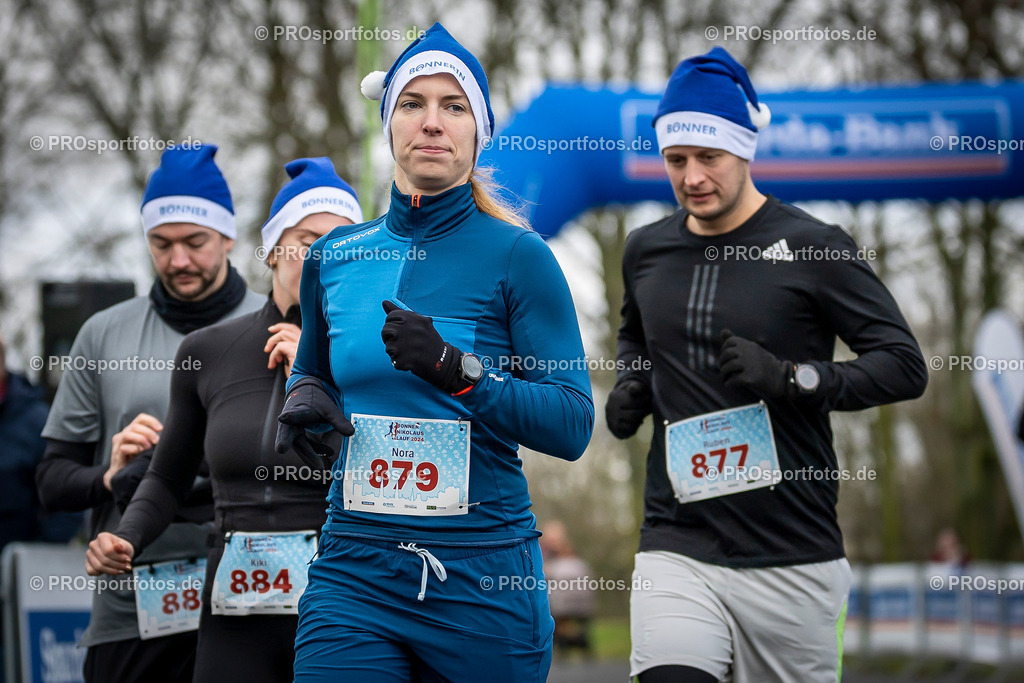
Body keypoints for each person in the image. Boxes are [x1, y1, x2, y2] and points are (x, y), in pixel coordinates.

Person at [272, 22, 594, 682]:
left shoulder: (518, 257)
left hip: (481, 578)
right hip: (353, 571)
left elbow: (571, 423)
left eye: (454, 107)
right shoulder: (334, 257)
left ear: (477, 133)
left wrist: (459, 370)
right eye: (413, 104)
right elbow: (311, 371)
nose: (432, 123)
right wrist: (305, 397)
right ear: (388, 125)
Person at [606, 47, 928, 683]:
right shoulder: (645, 250)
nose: (692, 176)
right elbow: (634, 335)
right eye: (676, 160)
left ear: (745, 150)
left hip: (792, 553)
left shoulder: (814, 246)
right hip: (679, 540)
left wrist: (794, 378)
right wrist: (632, 382)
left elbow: (904, 365)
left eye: (709, 158)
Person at [83, 158, 363, 683]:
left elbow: (381, 472)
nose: (325, 254)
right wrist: (127, 537)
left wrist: (320, 368)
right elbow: (166, 477)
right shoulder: (207, 352)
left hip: (341, 606)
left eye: (343, 242)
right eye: (306, 239)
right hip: (237, 615)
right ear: (274, 248)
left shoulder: (371, 357)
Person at [35, 144, 264, 683]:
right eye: (161, 244)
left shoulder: (274, 324)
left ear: (228, 236)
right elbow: (50, 482)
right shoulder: (104, 333)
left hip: (254, 603)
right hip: (130, 612)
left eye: (195, 242)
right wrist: (109, 475)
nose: (178, 260)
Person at [540, 520, 595, 656]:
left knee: (561, 613)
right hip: (560, 599)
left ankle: (570, 640)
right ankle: (569, 640)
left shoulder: (569, 560)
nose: (554, 541)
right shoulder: (544, 553)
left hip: (565, 601)